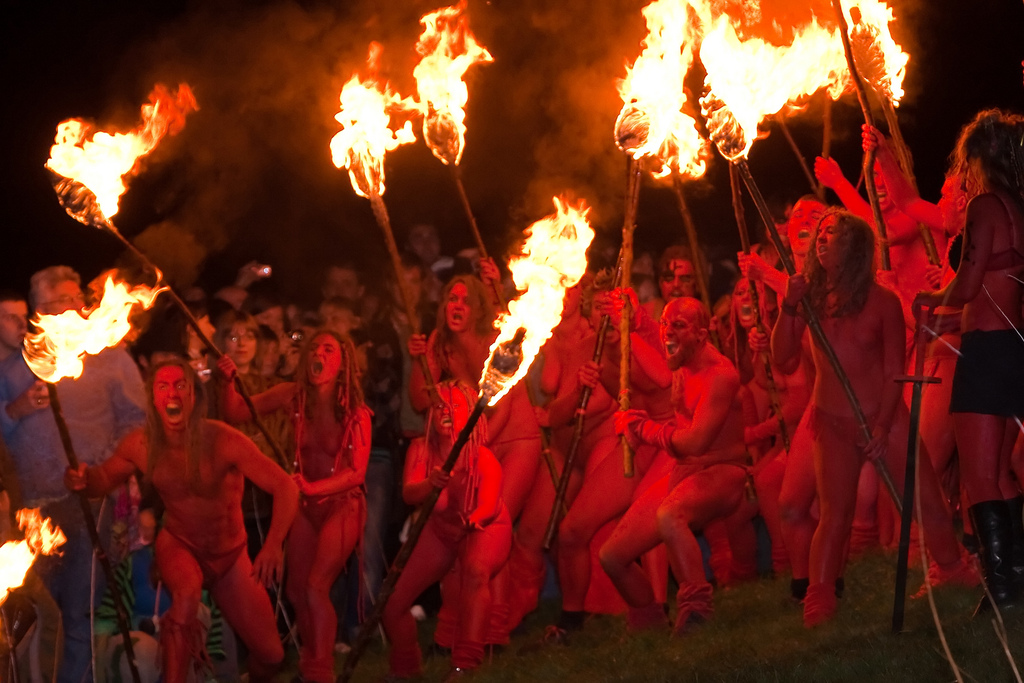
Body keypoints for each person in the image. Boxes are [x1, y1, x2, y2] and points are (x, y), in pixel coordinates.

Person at [773, 209, 973, 627]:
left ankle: (954, 571)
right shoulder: (806, 299)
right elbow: (782, 358)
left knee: (926, 500)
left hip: (885, 417)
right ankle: (819, 599)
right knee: (835, 514)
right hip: (832, 422)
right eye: (821, 233)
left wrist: (881, 427)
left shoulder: (881, 301)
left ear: (856, 246)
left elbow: (891, 371)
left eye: (834, 233)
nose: (822, 239)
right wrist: (788, 307)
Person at [64, 358, 297, 683]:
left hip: (230, 557)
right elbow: (102, 479)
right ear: (153, 399)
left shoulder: (223, 440)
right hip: (180, 544)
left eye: (180, 386)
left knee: (271, 656)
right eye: (163, 386)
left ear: (193, 397)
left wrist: (273, 546)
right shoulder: (141, 444)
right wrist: (81, 479)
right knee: (186, 598)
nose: (171, 393)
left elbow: (285, 486)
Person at [0, 266, 148, 683]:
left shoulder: (113, 359)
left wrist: (104, 468)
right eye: (58, 303)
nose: (71, 309)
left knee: (80, 607)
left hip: (90, 502)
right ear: (40, 311)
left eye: (74, 299)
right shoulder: (16, 366)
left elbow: (136, 424)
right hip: (31, 507)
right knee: (31, 613)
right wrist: (16, 411)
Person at [913, 109, 1024, 613]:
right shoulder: (1018, 208)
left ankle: (1000, 589)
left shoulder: (984, 206)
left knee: (980, 478)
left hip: (986, 351)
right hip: (1014, 348)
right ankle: (1016, 577)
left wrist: (930, 298)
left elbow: (970, 282)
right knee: (1000, 471)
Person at [219, 329, 370, 682]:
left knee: (318, 585)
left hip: (342, 505)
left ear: (342, 362)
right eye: (314, 347)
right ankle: (311, 659)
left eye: (328, 348)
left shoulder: (356, 411)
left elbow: (357, 473)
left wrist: (315, 487)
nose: (318, 353)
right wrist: (228, 381)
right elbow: (238, 412)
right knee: (296, 590)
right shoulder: (293, 396)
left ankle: (321, 672)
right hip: (305, 504)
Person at [601, 297, 748, 635]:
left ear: (701, 334)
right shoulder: (679, 357)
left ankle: (697, 613)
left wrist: (643, 429)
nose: (668, 332)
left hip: (724, 471)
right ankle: (648, 623)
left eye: (678, 325)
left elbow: (696, 442)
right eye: (666, 323)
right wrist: (631, 315)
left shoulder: (720, 375)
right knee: (612, 556)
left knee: (670, 516)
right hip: (684, 470)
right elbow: (654, 334)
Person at [381, 380, 510, 678]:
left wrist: (475, 518)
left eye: (454, 406)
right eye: (439, 406)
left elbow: (489, 505)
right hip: (440, 531)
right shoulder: (421, 449)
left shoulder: (481, 456)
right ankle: (406, 667)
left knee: (476, 572)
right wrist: (430, 484)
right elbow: (409, 493)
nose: (445, 412)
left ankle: (465, 664)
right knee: (392, 599)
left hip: (483, 528)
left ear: (470, 414)